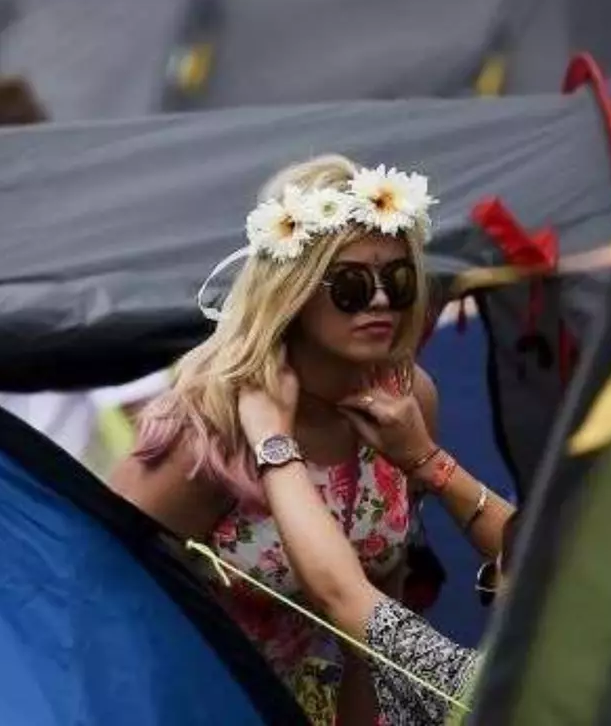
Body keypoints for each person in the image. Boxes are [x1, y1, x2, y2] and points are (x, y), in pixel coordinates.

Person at [110, 154, 439, 724]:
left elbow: (378, 621)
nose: (381, 300)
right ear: (293, 291)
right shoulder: (210, 427)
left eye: (398, 279)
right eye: (352, 284)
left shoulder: (407, 402)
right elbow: (102, 590)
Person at [236, 370, 517, 725]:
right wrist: (427, 459)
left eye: (490, 583)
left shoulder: (470, 687)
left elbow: (342, 593)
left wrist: (272, 441)